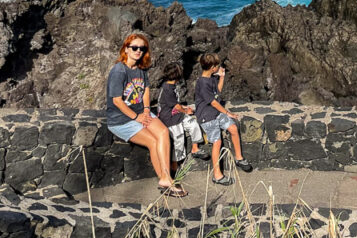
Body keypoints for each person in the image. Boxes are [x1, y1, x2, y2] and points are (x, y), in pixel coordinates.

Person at [105, 32, 186, 198]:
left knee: (163, 133)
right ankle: (165, 179)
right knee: (152, 141)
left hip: (142, 113)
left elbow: (146, 91)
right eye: (134, 47)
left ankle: (165, 178)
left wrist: (147, 110)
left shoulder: (141, 70)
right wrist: (137, 118)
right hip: (121, 120)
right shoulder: (119, 71)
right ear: (126, 49)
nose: (138, 51)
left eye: (142, 48)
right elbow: (117, 101)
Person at [195, 53, 253, 185]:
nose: (219, 67)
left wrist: (221, 77)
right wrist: (228, 113)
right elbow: (214, 102)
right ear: (212, 67)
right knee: (217, 142)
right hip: (207, 117)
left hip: (215, 113)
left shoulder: (211, 78)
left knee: (233, 128)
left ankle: (239, 158)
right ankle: (217, 175)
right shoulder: (202, 83)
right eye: (217, 66)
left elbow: (217, 92)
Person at [157, 61, 208, 170]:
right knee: (178, 140)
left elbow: (174, 104)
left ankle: (195, 148)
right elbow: (175, 106)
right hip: (169, 119)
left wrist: (184, 108)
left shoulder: (170, 85)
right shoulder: (167, 89)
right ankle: (174, 166)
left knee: (193, 124)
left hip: (176, 114)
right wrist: (186, 111)